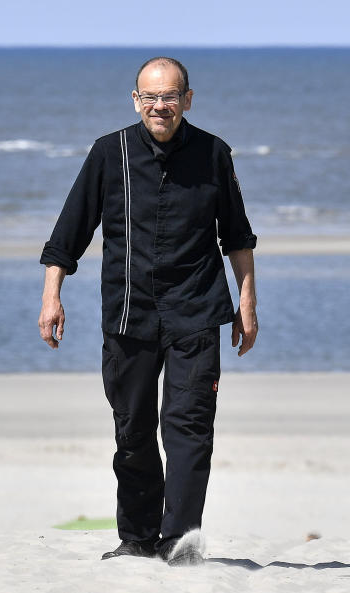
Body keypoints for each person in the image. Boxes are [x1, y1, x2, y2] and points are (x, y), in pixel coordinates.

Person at [37, 57, 258, 563]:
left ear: (188, 99)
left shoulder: (213, 154)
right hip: (128, 314)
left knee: (189, 429)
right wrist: (52, 296)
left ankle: (179, 542)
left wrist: (247, 302)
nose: (161, 106)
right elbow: (68, 234)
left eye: (170, 96)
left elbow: (238, 236)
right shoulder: (107, 153)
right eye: (150, 98)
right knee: (132, 430)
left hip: (196, 310)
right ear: (136, 101)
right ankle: (137, 539)